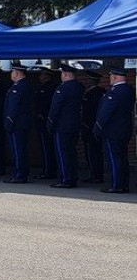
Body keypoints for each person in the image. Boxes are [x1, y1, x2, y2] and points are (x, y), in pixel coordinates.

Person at [93, 66, 134, 194]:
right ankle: (124, 184)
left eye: (111, 76)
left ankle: (116, 185)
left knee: (114, 159)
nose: (110, 79)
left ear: (115, 77)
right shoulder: (129, 90)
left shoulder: (114, 92)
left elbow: (105, 113)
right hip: (125, 130)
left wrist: (97, 128)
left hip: (112, 131)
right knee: (123, 158)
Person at [47, 62, 84, 188]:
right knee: (72, 152)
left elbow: (55, 108)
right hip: (74, 125)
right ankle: (72, 177)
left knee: (62, 153)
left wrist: (50, 122)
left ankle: (65, 179)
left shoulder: (62, 88)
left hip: (62, 126)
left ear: (66, 74)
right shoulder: (79, 87)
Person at [3, 64, 34, 183]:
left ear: (17, 73)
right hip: (22, 123)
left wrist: (9, 121)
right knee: (21, 149)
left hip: (17, 124)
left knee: (18, 150)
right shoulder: (24, 85)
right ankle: (21, 172)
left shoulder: (19, 86)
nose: (11, 74)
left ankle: (19, 174)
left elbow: (13, 106)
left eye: (12, 72)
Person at [80, 69, 105, 184]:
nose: (87, 81)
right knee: (92, 152)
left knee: (93, 152)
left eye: (88, 80)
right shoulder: (92, 92)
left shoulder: (95, 93)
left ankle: (96, 175)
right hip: (89, 126)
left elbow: (92, 111)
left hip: (90, 126)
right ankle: (95, 173)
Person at [33, 66, 57, 178]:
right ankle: (47, 169)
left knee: (47, 147)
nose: (39, 76)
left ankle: (48, 171)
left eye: (42, 74)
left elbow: (47, 104)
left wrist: (42, 115)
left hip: (45, 120)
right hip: (42, 120)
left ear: (47, 76)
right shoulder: (42, 87)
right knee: (45, 147)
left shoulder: (50, 87)